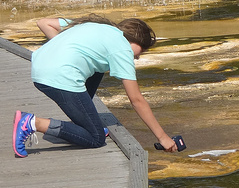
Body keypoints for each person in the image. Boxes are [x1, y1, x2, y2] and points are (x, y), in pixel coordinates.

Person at [13, 14, 178, 157]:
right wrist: (162, 137)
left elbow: (44, 23)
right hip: (59, 77)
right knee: (95, 138)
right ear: (134, 40)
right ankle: (33, 123)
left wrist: (66, 53)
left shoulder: (98, 27)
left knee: (100, 67)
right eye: (140, 52)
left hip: (39, 67)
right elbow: (136, 100)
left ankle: (86, 122)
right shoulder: (122, 48)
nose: (137, 57)